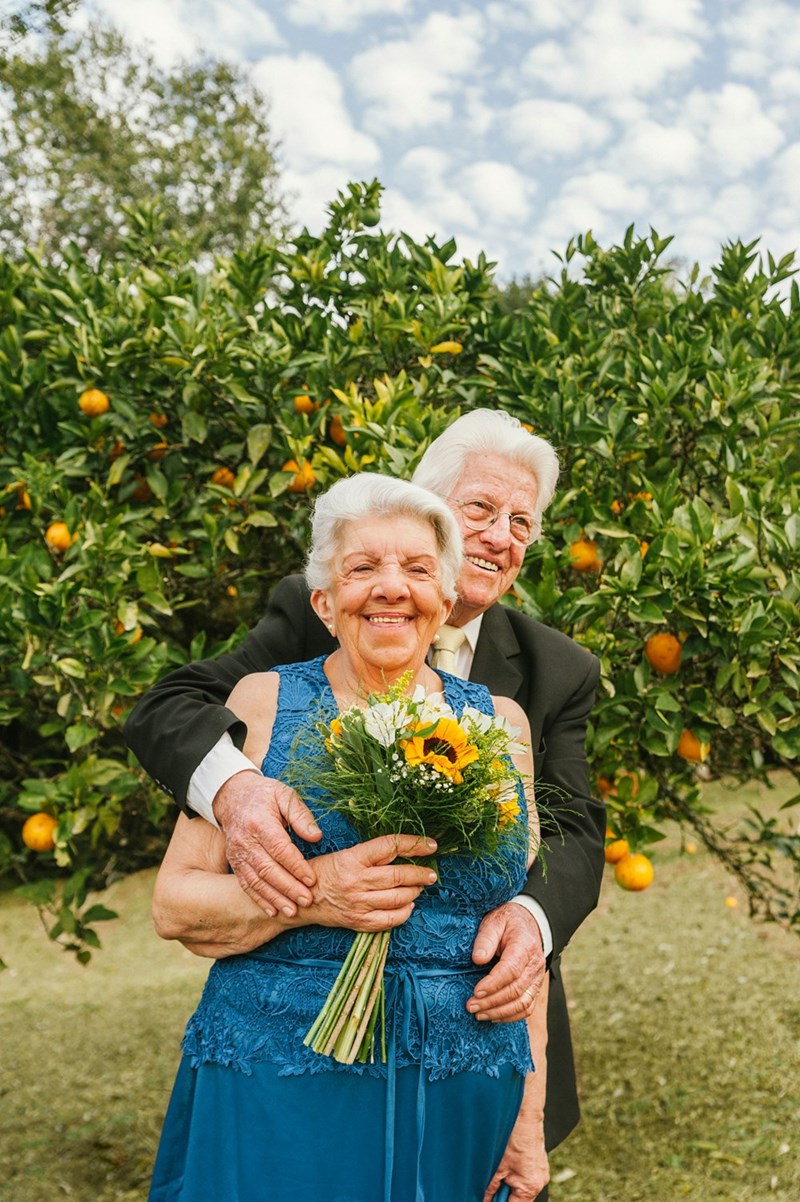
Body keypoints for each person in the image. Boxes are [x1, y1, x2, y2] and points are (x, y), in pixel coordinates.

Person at [126, 408, 605, 1196]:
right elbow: (169, 712)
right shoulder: (289, 661)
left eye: (522, 520)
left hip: (468, 1075)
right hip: (289, 1073)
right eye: (479, 509)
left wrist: (530, 924)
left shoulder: (539, 688)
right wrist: (239, 796)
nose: (498, 534)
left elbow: (571, 841)